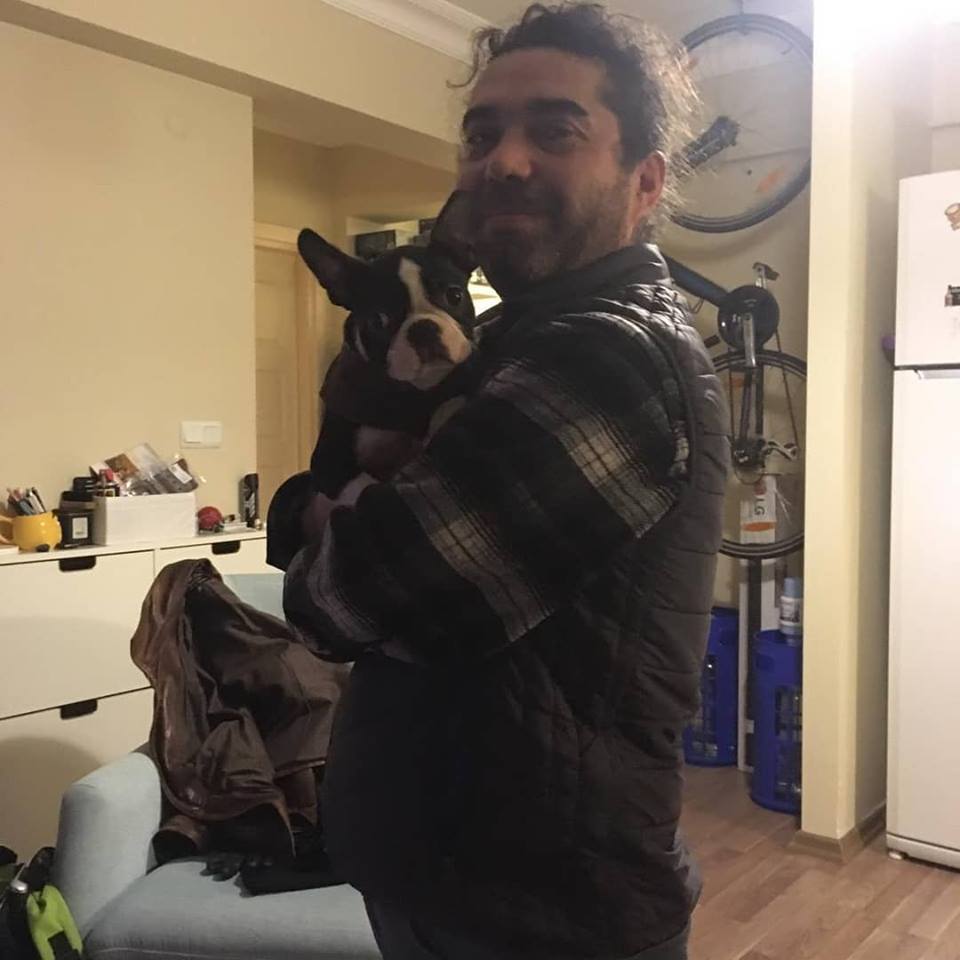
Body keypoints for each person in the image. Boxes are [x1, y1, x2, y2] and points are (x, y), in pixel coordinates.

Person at [283, 4, 728, 958]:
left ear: (646, 181)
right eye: (481, 136)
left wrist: (313, 517)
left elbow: (341, 599)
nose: (505, 162)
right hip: (462, 881)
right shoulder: (515, 343)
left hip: (534, 910)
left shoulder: (608, 355)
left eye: (555, 131)